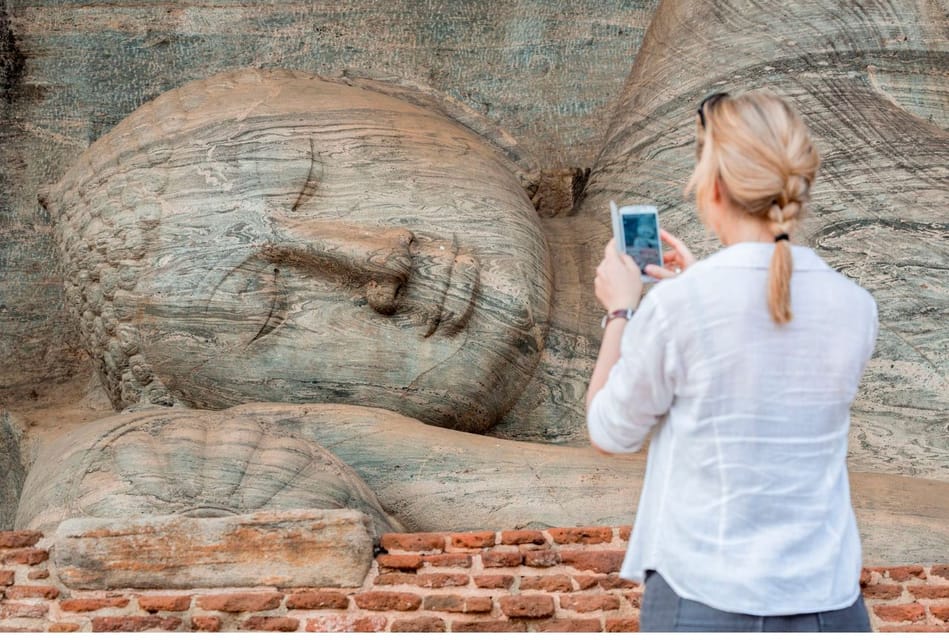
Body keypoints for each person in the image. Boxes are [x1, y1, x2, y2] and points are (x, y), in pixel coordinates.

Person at [585, 90, 878, 632]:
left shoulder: (679, 308)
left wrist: (622, 311)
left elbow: (610, 431)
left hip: (706, 600)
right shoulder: (858, 308)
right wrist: (698, 286)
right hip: (829, 605)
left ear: (713, 185)